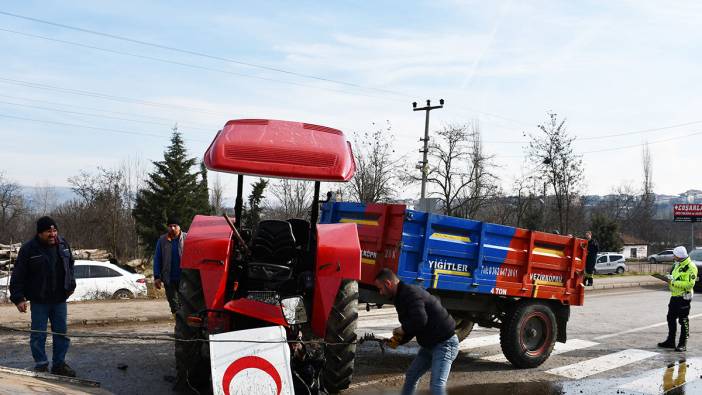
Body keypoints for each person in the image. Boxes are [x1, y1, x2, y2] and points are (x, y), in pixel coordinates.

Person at [373, 268, 458, 395]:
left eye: (380, 288)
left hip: (445, 344)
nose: (380, 293)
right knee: (412, 375)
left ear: (388, 283)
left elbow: (419, 320)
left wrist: (402, 329)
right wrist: (394, 341)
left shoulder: (410, 293)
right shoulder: (400, 297)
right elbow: (412, 326)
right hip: (429, 344)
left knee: (436, 386)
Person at [9, 216, 76, 376]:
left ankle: (59, 365)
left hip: (59, 299)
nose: (53, 234)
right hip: (39, 301)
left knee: (61, 333)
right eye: (48, 231)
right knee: (38, 335)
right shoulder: (29, 249)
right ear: (40, 233)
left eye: (54, 230)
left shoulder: (63, 244)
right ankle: (41, 365)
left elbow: (71, 266)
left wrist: (71, 284)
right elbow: (18, 275)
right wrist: (18, 298)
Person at [658, 246, 697, 352]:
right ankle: (670, 341)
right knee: (670, 318)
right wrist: (668, 278)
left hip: (684, 297)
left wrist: (673, 282)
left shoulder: (691, 266)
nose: (673, 256)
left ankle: (682, 344)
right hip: (674, 295)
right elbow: (675, 277)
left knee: (683, 320)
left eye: (675, 255)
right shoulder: (677, 264)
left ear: (679, 256)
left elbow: (689, 284)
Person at [153, 216, 186, 315]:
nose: (172, 228)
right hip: (169, 279)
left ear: (179, 227)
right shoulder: (162, 241)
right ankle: (179, 325)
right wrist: (157, 277)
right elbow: (157, 259)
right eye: (170, 226)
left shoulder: (187, 238)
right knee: (174, 305)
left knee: (184, 304)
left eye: (175, 226)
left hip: (185, 279)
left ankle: (185, 327)